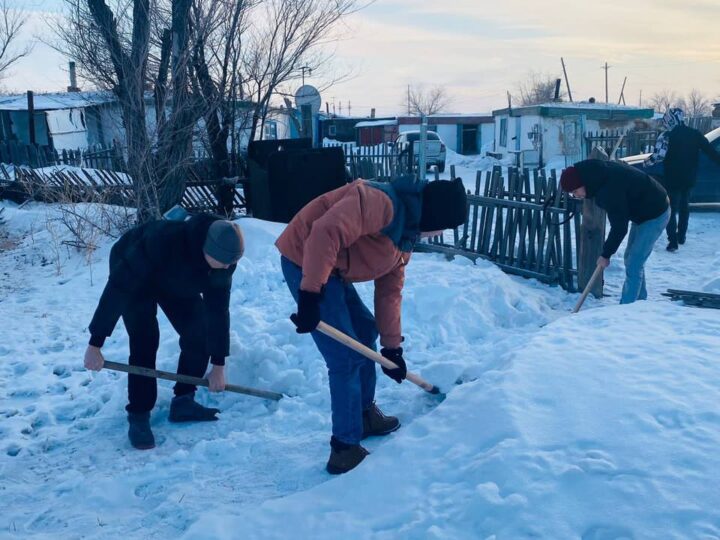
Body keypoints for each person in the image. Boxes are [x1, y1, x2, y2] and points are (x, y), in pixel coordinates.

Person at [275, 176, 467, 474]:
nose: (441, 233)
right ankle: (344, 447)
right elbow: (324, 232)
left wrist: (392, 350)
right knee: (345, 355)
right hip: (306, 258)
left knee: (365, 332)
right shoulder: (381, 203)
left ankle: (363, 414)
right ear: (435, 214)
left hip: (333, 266)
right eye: (444, 226)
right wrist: (310, 295)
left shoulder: (405, 236)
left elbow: (390, 291)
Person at [83, 214, 244, 450]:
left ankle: (183, 401)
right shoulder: (161, 241)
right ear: (205, 249)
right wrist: (95, 344)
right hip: (135, 271)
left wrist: (219, 364)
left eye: (232, 263)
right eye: (223, 262)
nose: (228, 268)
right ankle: (139, 413)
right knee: (145, 339)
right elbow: (118, 289)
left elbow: (218, 311)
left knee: (199, 332)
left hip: (176, 279)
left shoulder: (223, 258)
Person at [560, 159, 670, 305]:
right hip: (643, 212)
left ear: (583, 183)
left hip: (656, 213)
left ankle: (626, 310)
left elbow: (619, 227)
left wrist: (606, 254)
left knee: (634, 261)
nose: (576, 195)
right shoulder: (598, 176)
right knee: (631, 259)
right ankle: (641, 302)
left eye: (575, 191)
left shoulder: (608, 189)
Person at [643, 107, 720, 251]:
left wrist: (646, 163)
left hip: (672, 178)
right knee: (685, 206)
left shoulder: (667, 135)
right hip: (689, 178)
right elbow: (710, 152)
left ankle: (672, 242)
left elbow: (658, 156)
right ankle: (682, 236)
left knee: (671, 208)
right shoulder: (695, 134)